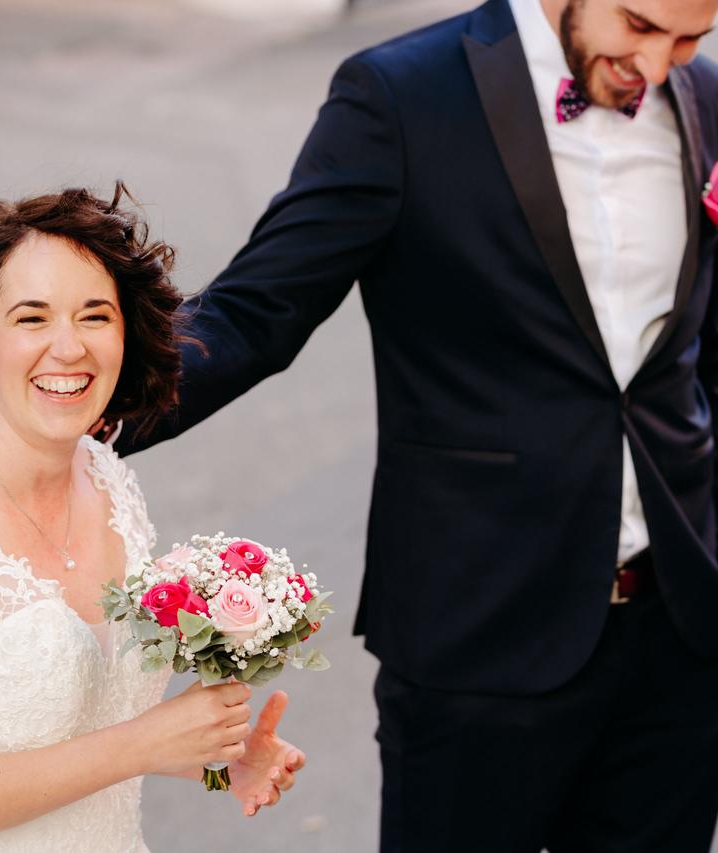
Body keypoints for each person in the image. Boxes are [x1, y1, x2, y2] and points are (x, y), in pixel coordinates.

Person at [114, 0, 718, 850]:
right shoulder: (401, 96)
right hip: (480, 621)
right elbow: (256, 312)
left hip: (681, 628)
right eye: (640, 25)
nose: (661, 67)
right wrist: (67, 411)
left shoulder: (706, 99)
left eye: (692, 38)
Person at [0, 184, 307, 853]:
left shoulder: (108, 480)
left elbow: (90, 734)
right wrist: (141, 743)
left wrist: (213, 761)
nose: (69, 348)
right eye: (32, 319)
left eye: (95, 316)